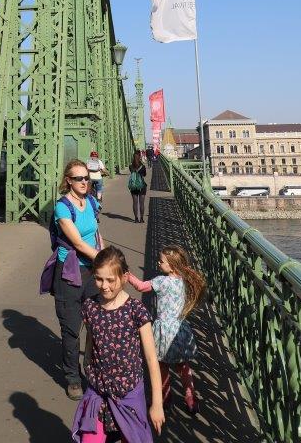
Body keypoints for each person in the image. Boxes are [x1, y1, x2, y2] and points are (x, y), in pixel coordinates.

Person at [72, 246, 165, 442]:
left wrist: (157, 404)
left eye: (110, 280)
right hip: (98, 391)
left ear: (125, 277)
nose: (104, 286)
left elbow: (151, 358)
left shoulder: (136, 310)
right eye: (99, 279)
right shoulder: (90, 306)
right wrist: (88, 365)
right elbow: (91, 340)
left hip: (128, 393)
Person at [127, 245, 206, 414]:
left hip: (164, 331)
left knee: (161, 365)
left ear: (171, 265)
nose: (158, 263)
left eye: (161, 261)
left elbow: (141, 287)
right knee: (183, 366)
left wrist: (128, 275)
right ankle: (191, 399)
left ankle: (165, 397)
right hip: (180, 329)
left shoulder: (161, 281)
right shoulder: (185, 280)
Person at [50, 160, 103, 400]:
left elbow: (96, 234)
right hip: (70, 273)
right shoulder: (62, 208)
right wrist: (108, 261)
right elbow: (79, 243)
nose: (84, 182)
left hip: (92, 271)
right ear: (68, 181)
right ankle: (73, 378)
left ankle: (92, 369)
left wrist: (105, 254)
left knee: (97, 323)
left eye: (87, 178)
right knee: (71, 328)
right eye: (79, 178)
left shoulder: (91, 202)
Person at [128, 150, 147, 223]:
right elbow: (144, 175)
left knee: (135, 203)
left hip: (133, 186)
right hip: (142, 186)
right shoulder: (143, 166)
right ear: (139, 157)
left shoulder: (130, 166)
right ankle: (141, 219)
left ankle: (136, 219)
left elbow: (132, 172)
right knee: (141, 203)